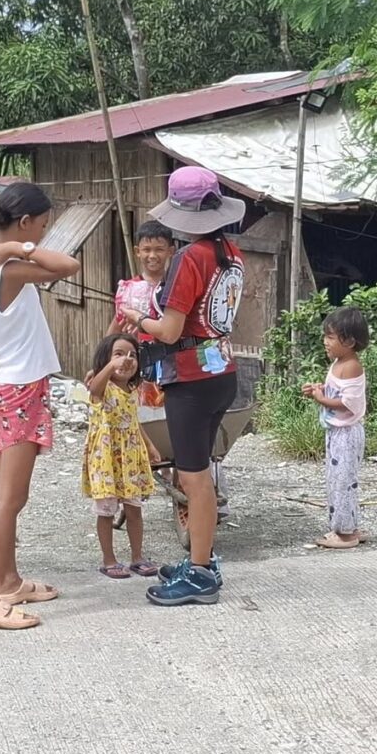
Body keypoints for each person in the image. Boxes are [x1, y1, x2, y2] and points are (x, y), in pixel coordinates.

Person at [0, 181, 81, 631]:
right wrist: (20, 248)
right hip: (18, 389)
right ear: (27, 221)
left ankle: (9, 582)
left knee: (10, 495)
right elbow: (68, 265)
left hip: (1, 382)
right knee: (9, 500)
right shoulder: (11, 267)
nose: (44, 234)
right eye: (43, 226)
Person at [131, 166, 248, 606]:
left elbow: (169, 330)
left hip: (190, 380)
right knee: (200, 473)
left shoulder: (189, 258)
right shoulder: (230, 253)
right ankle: (201, 558)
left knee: (194, 479)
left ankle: (200, 575)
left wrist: (137, 317)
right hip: (222, 371)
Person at [116, 220, 231, 527]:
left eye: (159, 249)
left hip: (180, 370)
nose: (152, 255)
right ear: (137, 251)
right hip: (159, 368)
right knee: (190, 458)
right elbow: (117, 329)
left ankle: (201, 540)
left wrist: (140, 319)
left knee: (194, 467)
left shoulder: (189, 266)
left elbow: (169, 332)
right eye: (146, 249)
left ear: (171, 250)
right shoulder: (131, 290)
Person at [81, 332, 159, 579]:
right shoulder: (102, 388)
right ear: (105, 359)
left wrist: (150, 446)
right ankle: (109, 560)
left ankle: (137, 557)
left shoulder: (132, 391)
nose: (126, 359)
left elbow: (134, 421)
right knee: (106, 511)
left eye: (132, 355)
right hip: (106, 458)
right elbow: (94, 388)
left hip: (130, 458)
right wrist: (107, 368)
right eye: (118, 354)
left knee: (134, 509)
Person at [302, 307, 370, 550]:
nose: (325, 341)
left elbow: (348, 403)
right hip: (337, 432)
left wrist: (321, 399)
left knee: (342, 482)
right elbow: (338, 392)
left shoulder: (351, 365)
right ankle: (350, 526)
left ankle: (345, 534)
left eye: (331, 337)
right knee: (339, 480)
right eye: (326, 336)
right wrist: (319, 390)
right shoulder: (339, 363)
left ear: (349, 341)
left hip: (347, 434)